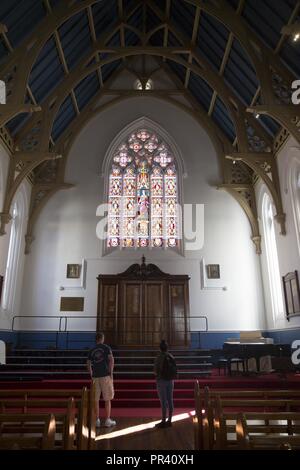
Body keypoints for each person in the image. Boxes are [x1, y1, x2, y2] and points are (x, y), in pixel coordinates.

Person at [87, 332, 116, 428]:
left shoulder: (91, 350)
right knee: (107, 398)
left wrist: (91, 374)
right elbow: (111, 360)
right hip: (105, 375)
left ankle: (97, 420)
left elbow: (88, 364)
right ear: (102, 339)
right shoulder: (106, 348)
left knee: (96, 399)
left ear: (96, 339)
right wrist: (111, 373)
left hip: (95, 376)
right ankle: (107, 420)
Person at [154, 339, 177, 428]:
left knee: (163, 401)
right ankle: (170, 420)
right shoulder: (171, 356)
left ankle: (163, 420)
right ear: (167, 348)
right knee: (170, 399)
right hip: (171, 380)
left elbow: (155, 371)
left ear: (160, 348)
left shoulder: (159, 357)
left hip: (161, 381)